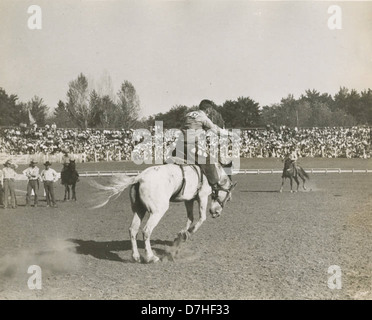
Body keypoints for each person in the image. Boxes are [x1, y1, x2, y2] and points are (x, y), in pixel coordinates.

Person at [172, 99, 230, 189]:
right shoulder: (203, 118)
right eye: (210, 110)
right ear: (208, 109)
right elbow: (215, 129)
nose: (210, 112)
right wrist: (228, 134)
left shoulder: (188, 115)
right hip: (191, 146)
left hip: (179, 146)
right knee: (209, 160)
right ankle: (215, 187)